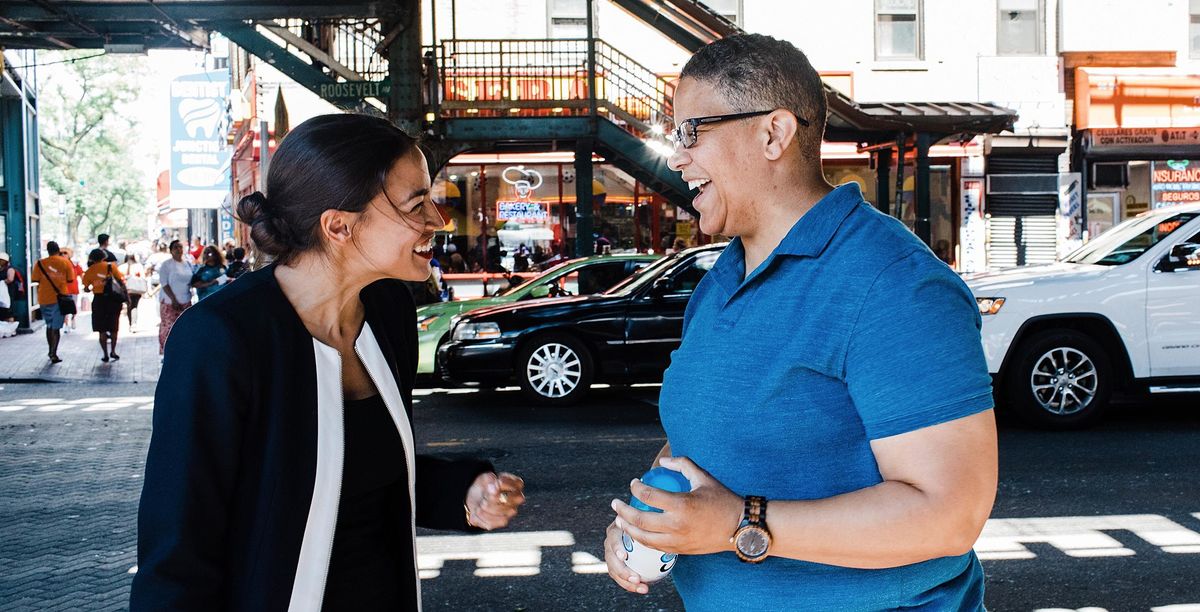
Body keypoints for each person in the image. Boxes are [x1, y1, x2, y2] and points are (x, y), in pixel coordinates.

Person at [604, 34, 997, 610]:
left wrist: (741, 525)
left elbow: (948, 516)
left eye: (691, 132)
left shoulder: (895, 283)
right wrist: (652, 520)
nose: (677, 156)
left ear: (773, 133)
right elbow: (699, 442)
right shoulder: (719, 281)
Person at [131, 113, 527, 611]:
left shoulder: (388, 311)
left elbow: (347, 469)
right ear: (339, 225)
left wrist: (461, 491)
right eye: (415, 203)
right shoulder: (220, 338)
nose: (438, 219)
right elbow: (178, 545)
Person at [30, 242, 77, 364]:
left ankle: (50, 350)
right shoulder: (65, 262)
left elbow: (35, 279)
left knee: (49, 325)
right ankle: (53, 353)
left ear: (48, 250)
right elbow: (70, 279)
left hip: (44, 299)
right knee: (56, 328)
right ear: (58, 250)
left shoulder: (40, 263)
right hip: (59, 299)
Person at [82, 249, 126, 362]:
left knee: (101, 329)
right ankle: (113, 351)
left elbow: (86, 288)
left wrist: (95, 285)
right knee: (114, 327)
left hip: (98, 301)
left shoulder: (89, 271)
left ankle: (105, 354)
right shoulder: (110, 267)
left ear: (92, 258)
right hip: (112, 300)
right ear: (104, 257)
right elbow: (121, 280)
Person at [156, 240, 193, 355]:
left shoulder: (187, 263)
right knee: (168, 327)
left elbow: (192, 281)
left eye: (180, 247)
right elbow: (164, 283)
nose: (178, 250)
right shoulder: (166, 265)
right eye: (176, 247)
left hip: (186, 300)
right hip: (169, 301)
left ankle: (182, 350)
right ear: (171, 250)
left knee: (184, 327)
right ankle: (167, 351)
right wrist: (173, 299)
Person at [121, 253, 149, 329]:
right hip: (137, 289)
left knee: (128, 306)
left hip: (126, 290)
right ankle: (133, 323)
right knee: (134, 306)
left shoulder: (122, 267)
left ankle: (131, 323)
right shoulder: (139, 266)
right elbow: (143, 277)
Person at [59, 248, 84, 332]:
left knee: (73, 308)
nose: (63, 254)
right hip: (63, 290)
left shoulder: (74, 265)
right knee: (64, 309)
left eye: (65, 253)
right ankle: (66, 325)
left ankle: (73, 319)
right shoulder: (58, 265)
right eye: (61, 253)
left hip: (73, 289)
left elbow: (81, 274)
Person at [0, 251, 24, 321]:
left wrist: (2, 282)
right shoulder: (2, 269)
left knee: (9, 311)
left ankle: (10, 327)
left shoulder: (10, 269)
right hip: (2, 294)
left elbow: (10, 279)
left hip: (9, 293)